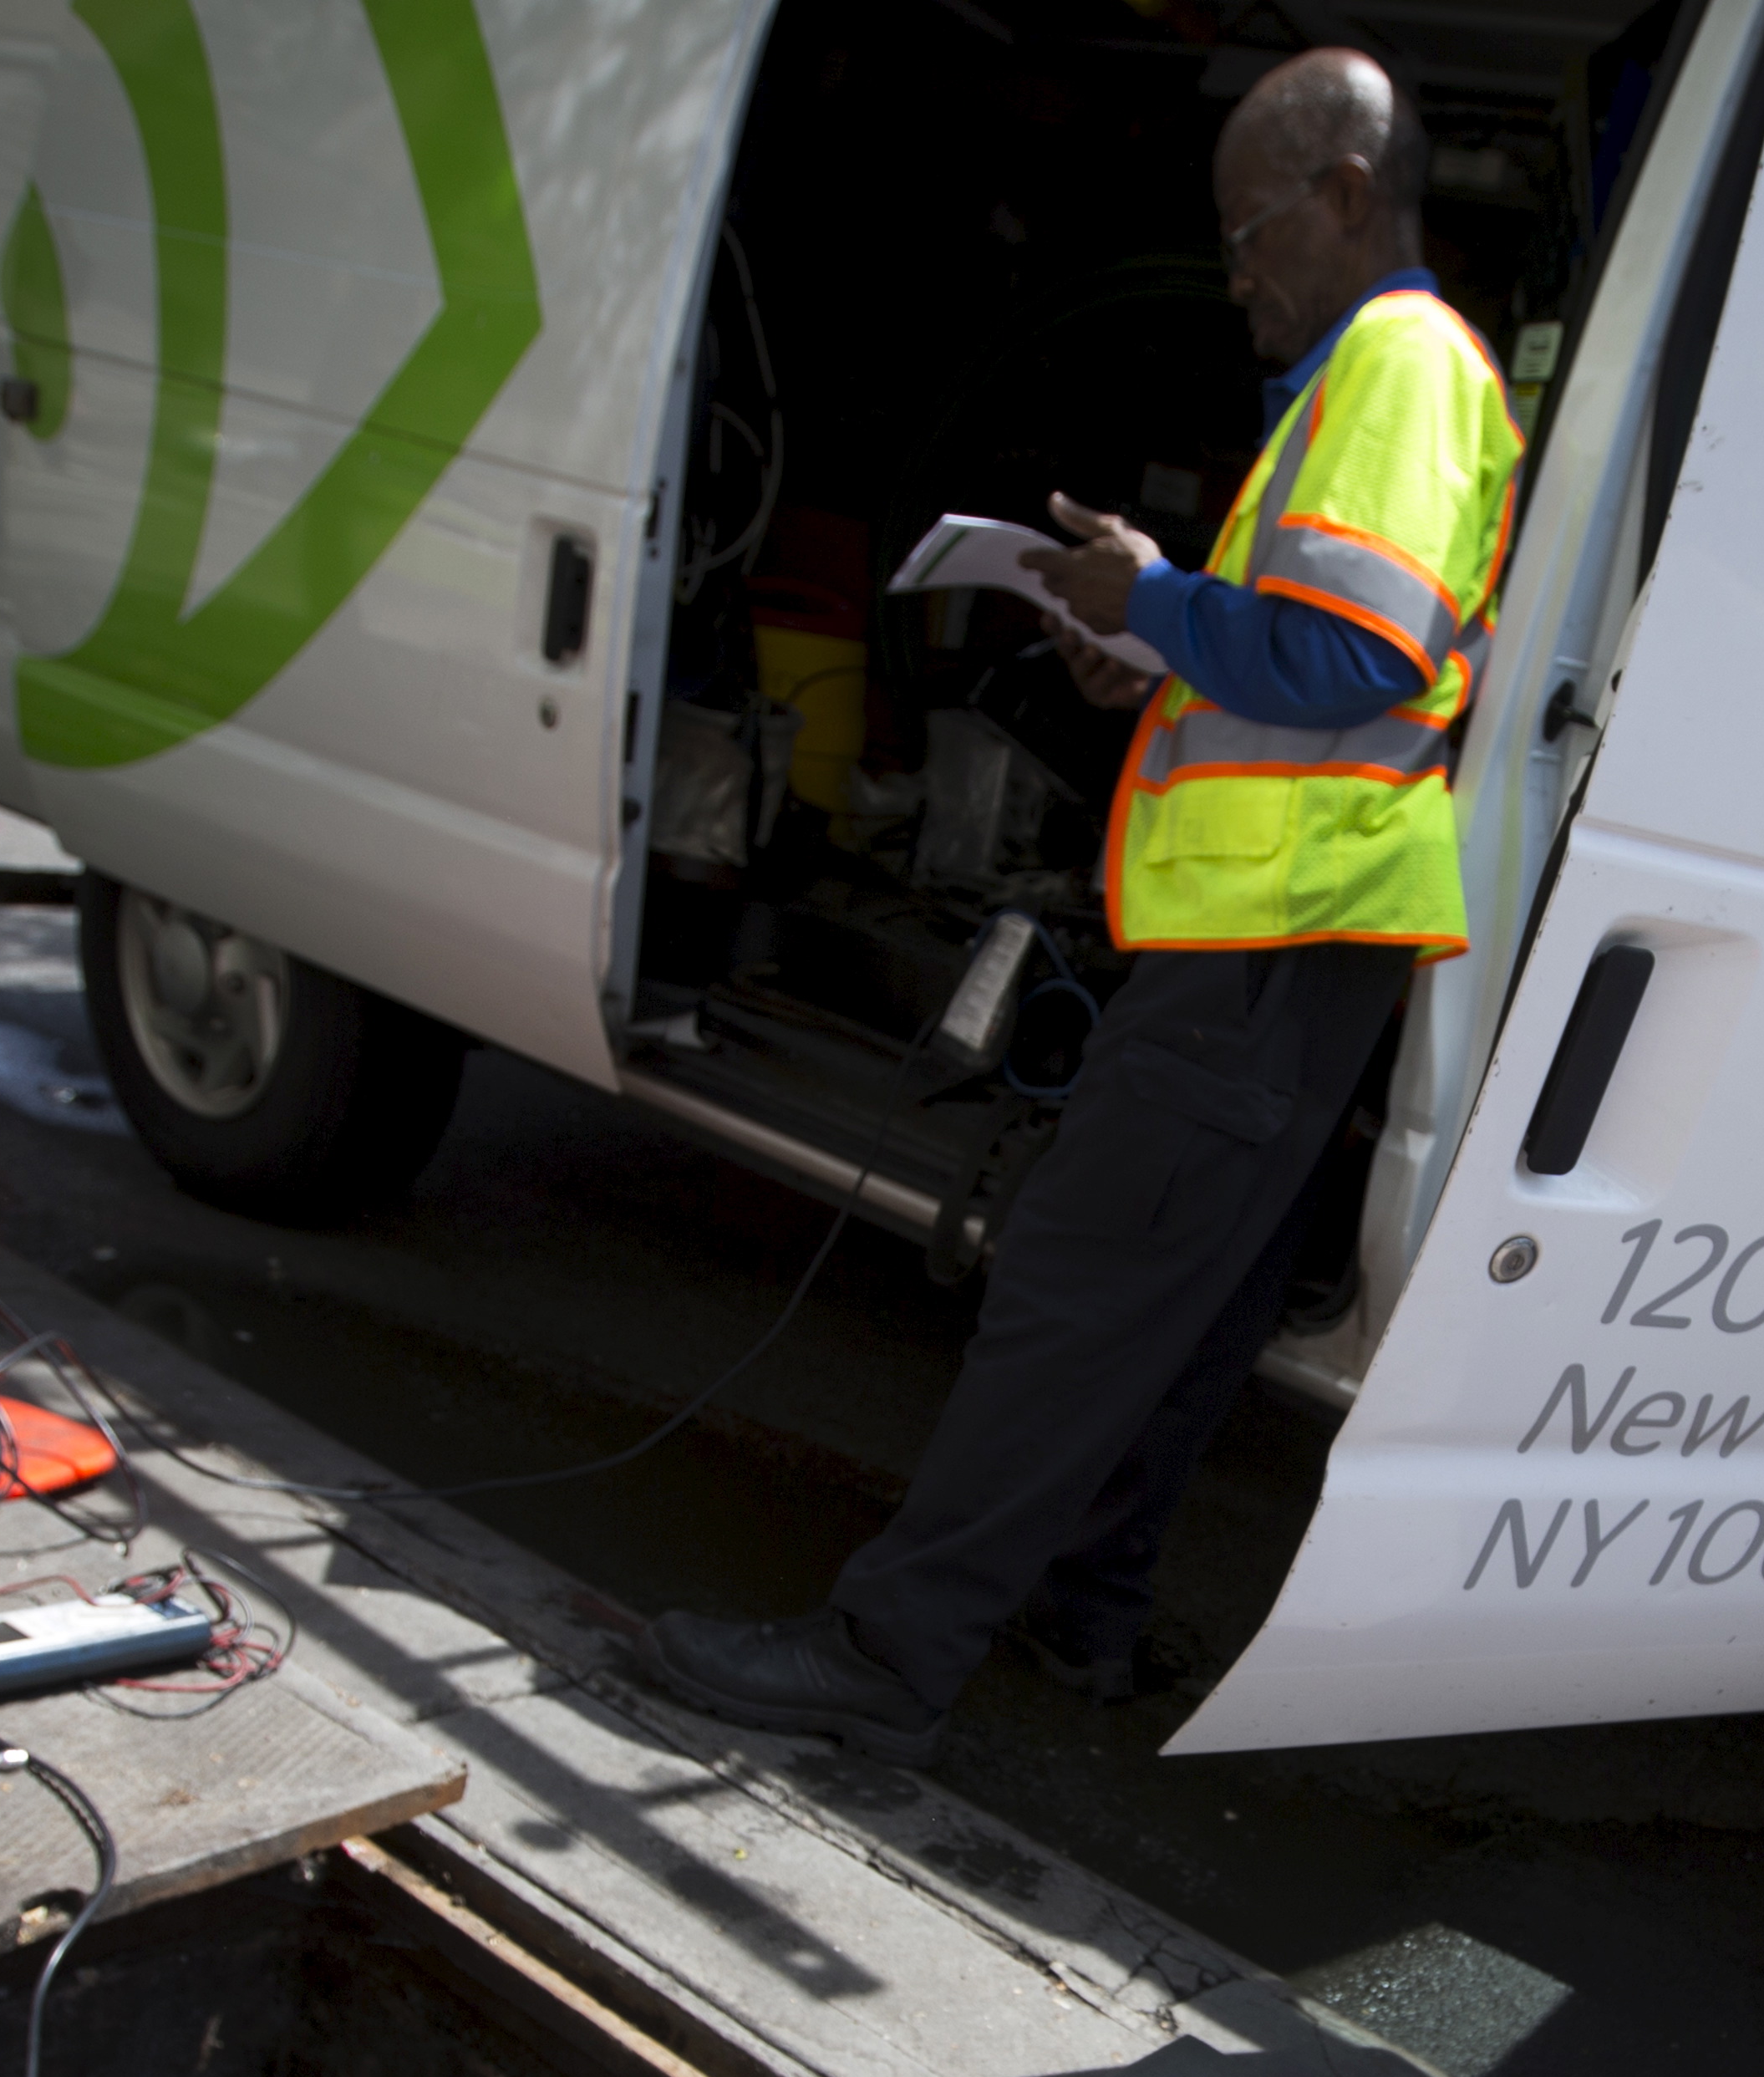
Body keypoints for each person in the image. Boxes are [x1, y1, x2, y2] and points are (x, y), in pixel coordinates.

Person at [643, 47, 1523, 1767]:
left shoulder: (1400, 365)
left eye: (1247, 230)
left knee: (1068, 1278)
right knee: (1182, 1302)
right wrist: (1151, 652)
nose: (1236, 271)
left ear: (1343, 195)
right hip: (1304, 942)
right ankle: (1084, 1611)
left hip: (1271, 938)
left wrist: (1163, 601)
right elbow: (1329, 674)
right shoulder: (1387, 375)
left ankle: (882, 1661)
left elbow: (1362, 646)